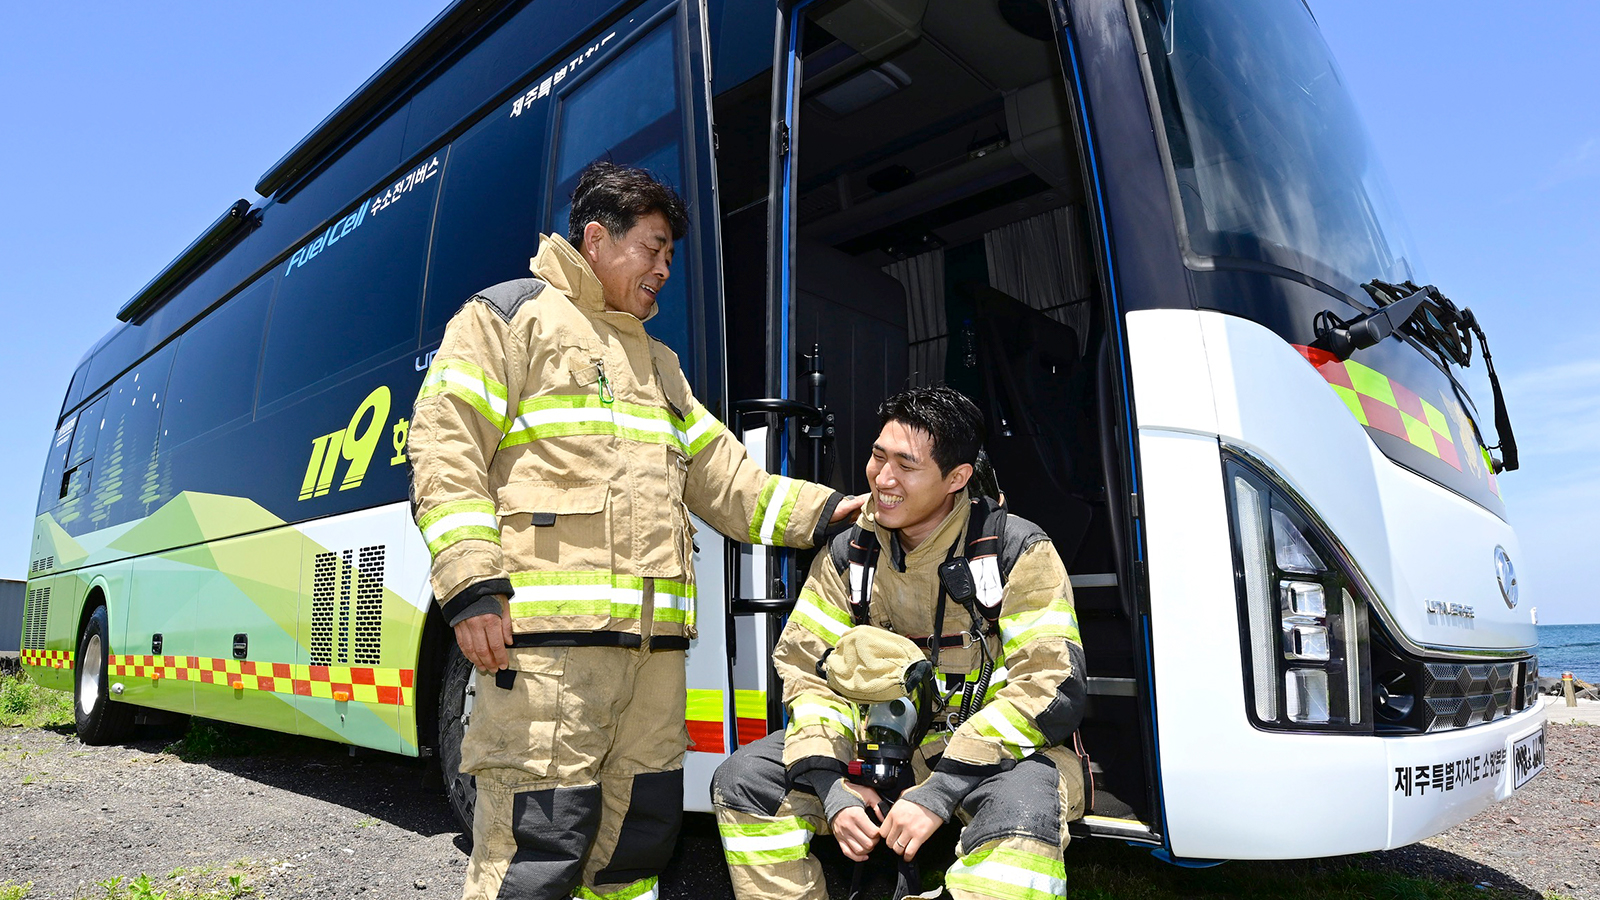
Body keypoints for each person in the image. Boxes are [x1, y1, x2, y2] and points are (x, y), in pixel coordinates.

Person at [408, 160, 865, 900]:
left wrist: (829, 510)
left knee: (635, 845)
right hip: (550, 654)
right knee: (535, 850)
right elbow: (444, 449)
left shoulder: (659, 364)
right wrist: (470, 585)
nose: (664, 270)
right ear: (596, 238)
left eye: (670, 257)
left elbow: (730, 480)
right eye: (653, 248)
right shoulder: (510, 317)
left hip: (652, 663)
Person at [711, 385, 1088, 900]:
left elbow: (1050, 685)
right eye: (878, 456)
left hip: (992, 752)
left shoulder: (1015, 550)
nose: (883, 479)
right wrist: (831, 785)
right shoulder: (849, 553)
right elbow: (806, 672)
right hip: (880, 746)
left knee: (1022, 816)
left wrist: (940, 789)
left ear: (957, 478)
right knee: (745, 782)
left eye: (906, 465)